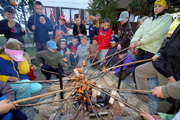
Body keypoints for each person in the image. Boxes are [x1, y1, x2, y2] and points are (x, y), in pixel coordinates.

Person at [134, 20, 180, 113]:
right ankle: (143, 97)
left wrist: (177, 77)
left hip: (173, 71)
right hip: (163, 62)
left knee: (167, 96)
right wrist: (160, 52)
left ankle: (161, 115)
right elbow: (170, 43)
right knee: (139, 71)